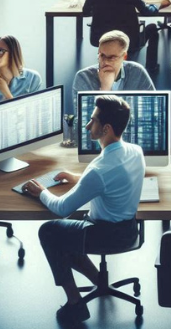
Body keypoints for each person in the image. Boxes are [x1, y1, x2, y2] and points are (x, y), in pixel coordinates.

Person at [24, 96, 145, 326]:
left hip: (104, 235)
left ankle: (74, 303)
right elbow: (112, 180)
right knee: (68, 233)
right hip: (129, 231)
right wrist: (77, 179)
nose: (88, 125)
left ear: (106, 129)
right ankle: (99, 281)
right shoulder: (135, 151)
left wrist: (40, 192)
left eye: (92, 121)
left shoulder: (99, 170)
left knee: (50, 232)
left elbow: (62, 209)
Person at [72, 30, 156, 93]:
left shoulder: (138, 73)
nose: (105, 62)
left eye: (111, 57)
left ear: (124, 56)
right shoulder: (83, 78)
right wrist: (105, 88)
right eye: (102, 55)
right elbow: (87, 115)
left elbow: (153, 109)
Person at [0, 35, 43, 103]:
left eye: (0, 51)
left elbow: (34, 111)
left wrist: (7, 94)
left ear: (13, 54)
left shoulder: (33, 78)